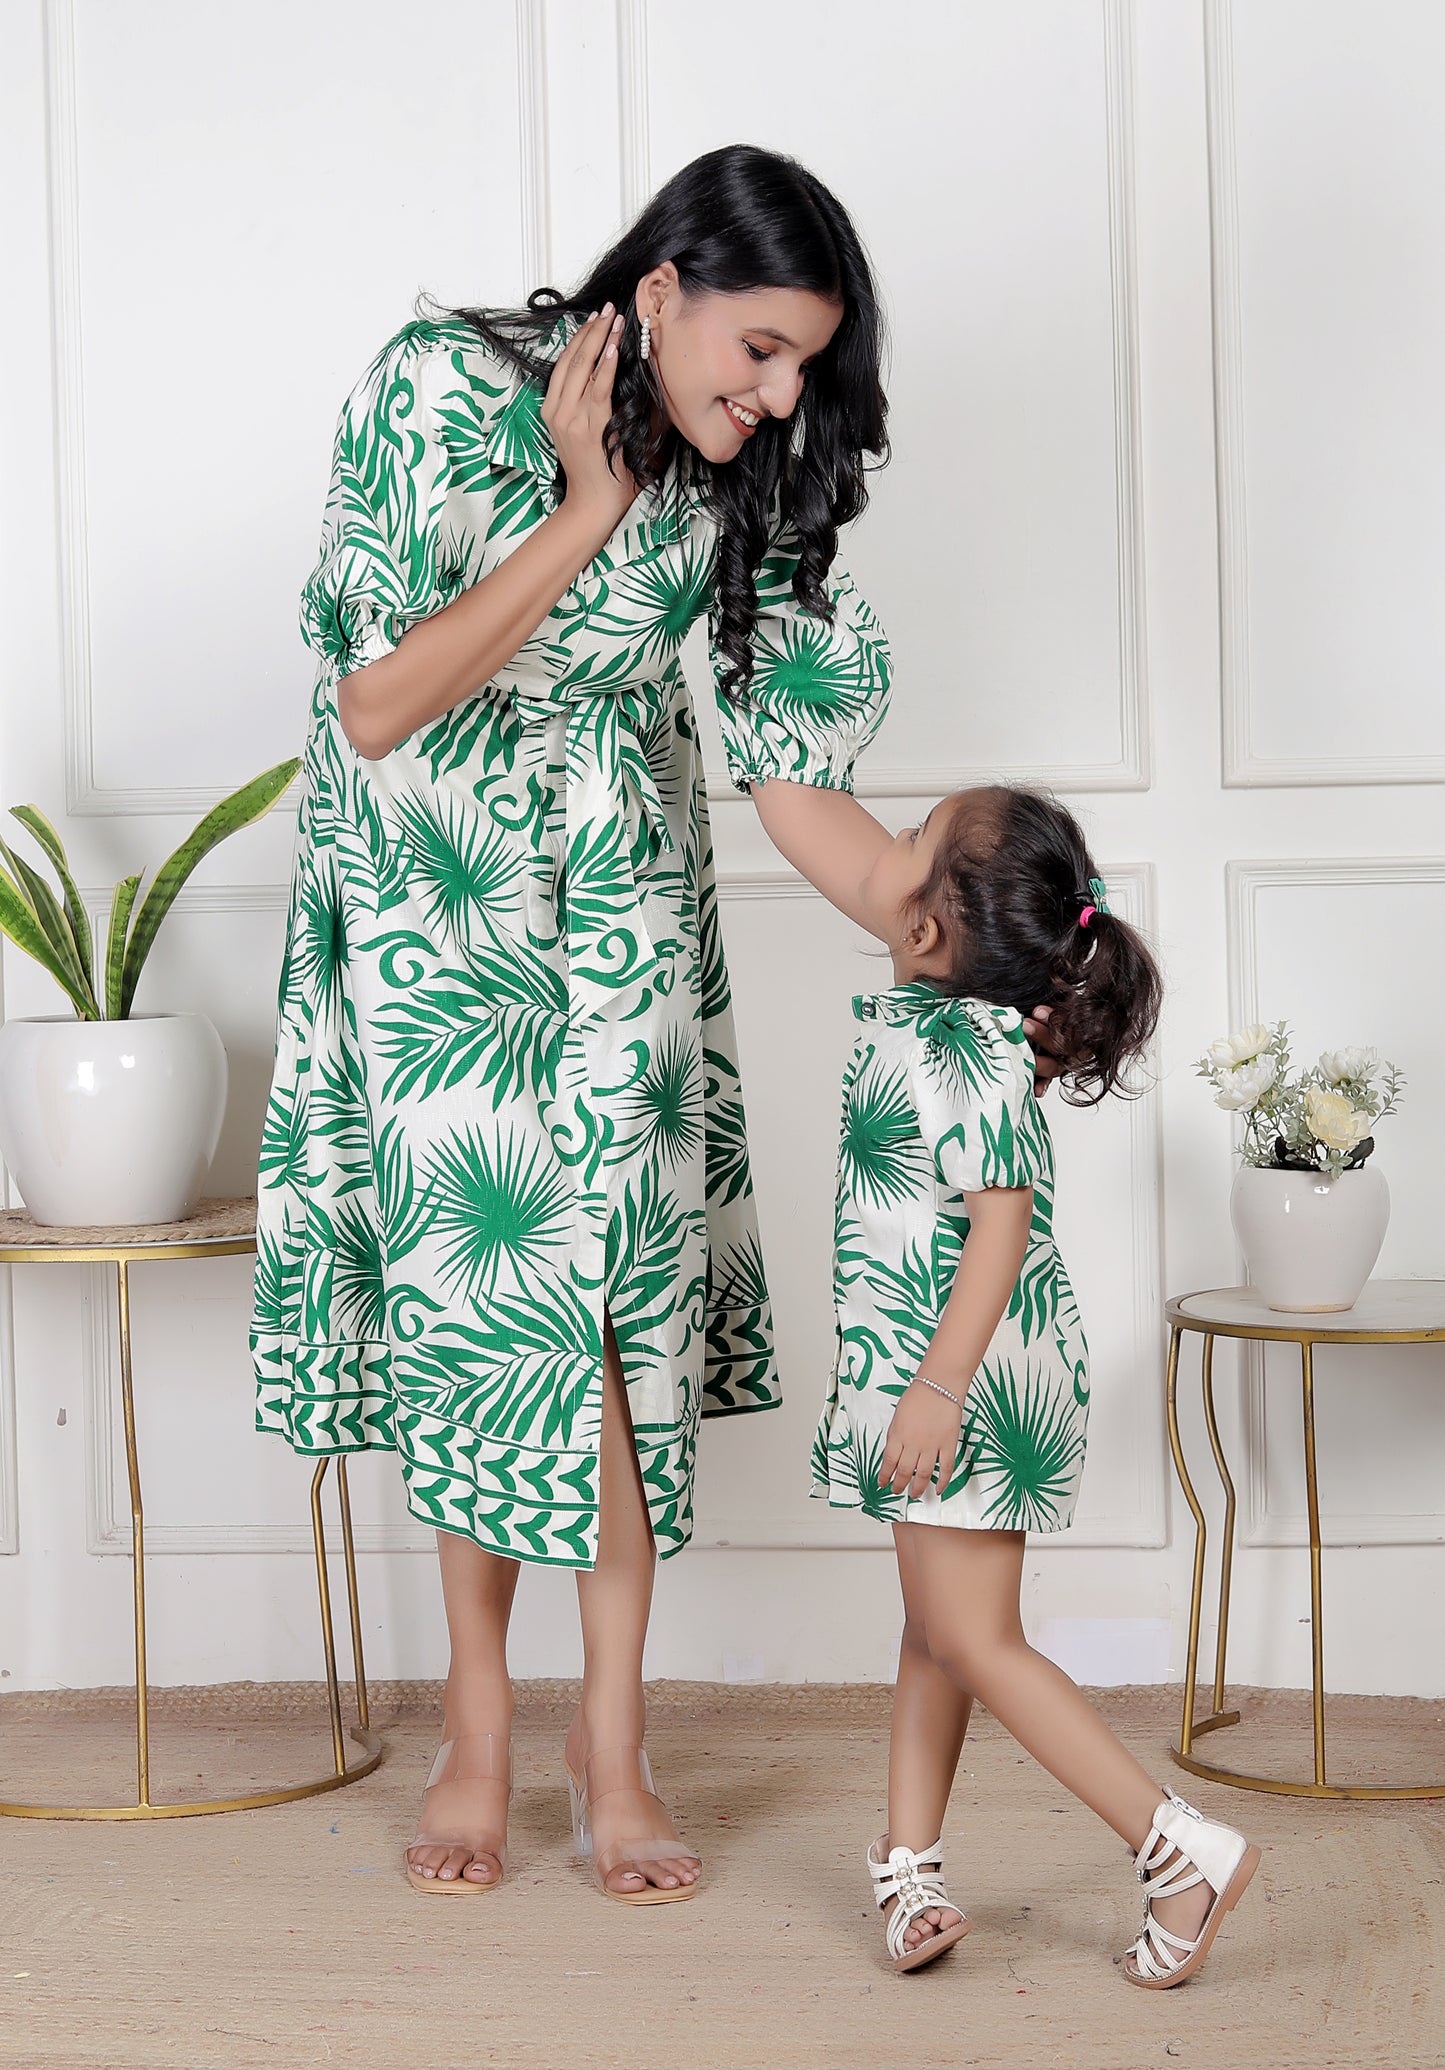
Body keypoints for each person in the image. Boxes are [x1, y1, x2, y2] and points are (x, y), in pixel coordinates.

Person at [251, 142, 903, 1903]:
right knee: (487, 1323)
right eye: (758, 350)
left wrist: (952, 920)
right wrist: (588, 502)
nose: (773, 400)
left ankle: (610, 1744)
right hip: (428, 926)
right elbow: (381, 701)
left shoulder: (746, 475)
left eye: (803, 369)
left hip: (620, 927)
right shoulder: (430, 390)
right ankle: (477, 1724)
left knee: (613, 1338)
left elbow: (801, 776)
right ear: (665, 290)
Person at [797, 782, 1259, 1982]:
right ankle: (908, 1875)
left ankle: (1174, 1850)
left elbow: (995, 1229)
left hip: (963, 1373)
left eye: (906, 844)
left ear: (926, 932)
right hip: (956, 1365)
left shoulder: (955, 1045)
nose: (884, 850)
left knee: (975, 1638)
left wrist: (935, 1389)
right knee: (936, 1633)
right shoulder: (962, 1031)